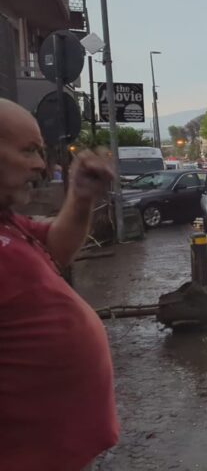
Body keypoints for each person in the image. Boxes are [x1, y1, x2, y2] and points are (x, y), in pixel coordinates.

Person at [0, 99, 119, 468]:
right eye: (28, 150)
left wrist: (81, 198)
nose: (41, 163)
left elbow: (54, 246)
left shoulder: (8, 224)